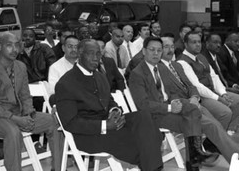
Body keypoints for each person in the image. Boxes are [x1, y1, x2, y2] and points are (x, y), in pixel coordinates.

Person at [128, 37, 239, 167]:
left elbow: (172, 92)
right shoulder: (137, 73)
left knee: (208, 120)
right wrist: (171, 107)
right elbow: (143, 105)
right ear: (144, 51)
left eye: (159, 50)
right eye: (152, 50)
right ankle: (237, 156)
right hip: (155, 116)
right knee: (206, 123)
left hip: (174, 107)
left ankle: (201, 158)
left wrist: (187, 101)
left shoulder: (160, 68)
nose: (156, 53)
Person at [55, 39, 164, 171]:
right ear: (80, 53)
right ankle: (154, 167)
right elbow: (71, 123)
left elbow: (109, 100)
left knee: (144, 117)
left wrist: (114, 110)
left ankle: (152, 165)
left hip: (109, 123)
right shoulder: (66, 83)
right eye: (91, 54)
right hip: (88, 135)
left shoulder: (100, 76)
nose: (96, 58)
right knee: (142, 140)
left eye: (98, 54)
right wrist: (105, 125)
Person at [0, 32, 62, 171]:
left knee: (54, 121)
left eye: (17, 45)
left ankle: (58, 168)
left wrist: (28, 113)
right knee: (13, 132)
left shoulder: (20, 66)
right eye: (9, 45)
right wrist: (16, 119)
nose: (15, 49)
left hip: (20, 113)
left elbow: (25, 95)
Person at [177, 32, 239, 135]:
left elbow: (214, 76)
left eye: (199, 42)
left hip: (212, 92)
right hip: (200, 97)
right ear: (185, 44)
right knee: (225, 112)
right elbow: (197, 87)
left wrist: (223, 93)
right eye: (193, 42)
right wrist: (218, 98)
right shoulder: (182, 62)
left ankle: (228, 131)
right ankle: (213, 141)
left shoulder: (201, 57)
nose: (198, 45)